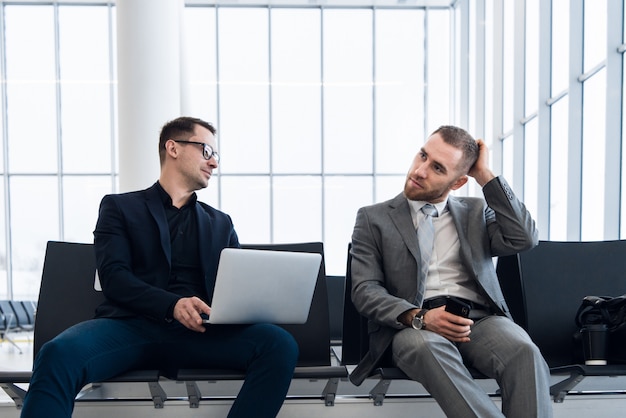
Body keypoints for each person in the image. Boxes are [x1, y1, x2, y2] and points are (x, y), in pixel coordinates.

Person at [20, 116, 299, 418]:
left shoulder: (221, 223)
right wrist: (172, 305)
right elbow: (115, 278)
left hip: (200, 333)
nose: (214, 163)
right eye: (207, 152)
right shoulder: (120, 207)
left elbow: (236, 288)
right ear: (173, 148)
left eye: (216, 156)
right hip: (129, 327)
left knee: (278, 344)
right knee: (58, 354)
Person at [349, 125, 553, 417]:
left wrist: (484, 175)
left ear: (457, 183)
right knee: (428, 348)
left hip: (480, 321)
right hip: (413, 325)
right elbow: (365, 290)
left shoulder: (476, 211)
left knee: (525, 352)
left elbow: (524, 238)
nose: (419, 170)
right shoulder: (373, 218)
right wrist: (420, 317)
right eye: (422, 156)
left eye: (437, 168)